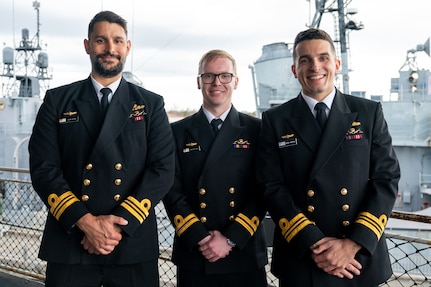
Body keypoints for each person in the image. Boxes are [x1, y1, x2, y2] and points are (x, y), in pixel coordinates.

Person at [29, 11, 175, 287]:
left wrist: (115, 226)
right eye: (101, 40)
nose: (110, 49)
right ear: (87, 45)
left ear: (127, 47)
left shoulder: (151, 104)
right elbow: (44, 168)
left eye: (118, 41)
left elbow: (163, 169)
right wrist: (86, 223)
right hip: (71, 239)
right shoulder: (58, 101)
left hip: (130, 241)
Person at [256, 28, 400, 287]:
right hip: (302, 255)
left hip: (358, 260)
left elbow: (386, 179)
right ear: (294, 69)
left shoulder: (367, 113)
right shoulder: (275, 120)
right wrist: (314, 244)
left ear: (336, 64)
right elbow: (271, 186)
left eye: (323, 58)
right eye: (305, 60)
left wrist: (352, 243)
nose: (315, 67)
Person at [163, 49, 268, 287]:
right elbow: (171, 190)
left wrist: (231, 238)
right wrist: (200, 237)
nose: (216, 83)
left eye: (224, 76)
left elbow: (264, 190)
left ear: (236, 81)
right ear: (199, 82)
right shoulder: (177, 132)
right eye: (209, 76)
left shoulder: (258, 130)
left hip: (243, 251)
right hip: (196, 253)